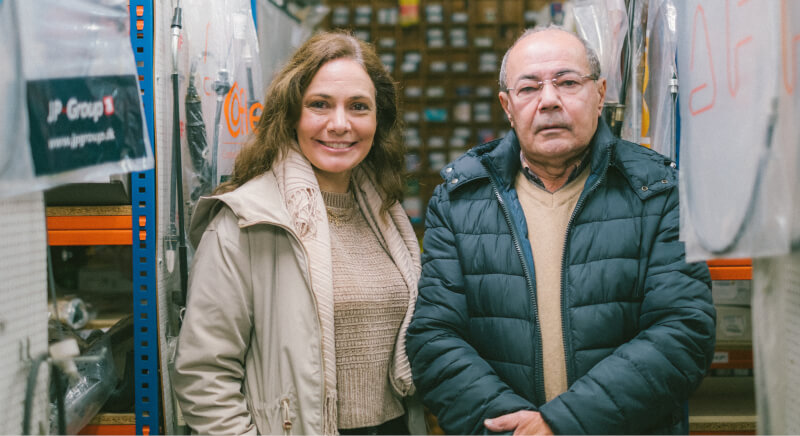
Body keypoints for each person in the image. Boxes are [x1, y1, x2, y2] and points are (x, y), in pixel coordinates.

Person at [406, 25, 716, 435]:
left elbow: (683, 331)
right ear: (507, 106)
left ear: (600, 93)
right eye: (529, 88)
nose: (549, 101)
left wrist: (561, 424)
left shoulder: (656, 191)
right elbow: (434, 338)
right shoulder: (459, 201)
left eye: (568, 82)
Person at [173, 31, 425, 435]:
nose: (340, 124)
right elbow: (204, 375)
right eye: (320, 105)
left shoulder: (385, 213)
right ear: (291, 114)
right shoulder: (246, 221)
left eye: (359, 107)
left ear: (379, 120)